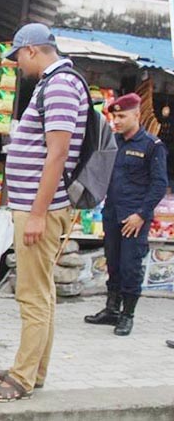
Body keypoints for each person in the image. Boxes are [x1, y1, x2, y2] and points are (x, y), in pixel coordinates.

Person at [0, 24, 89, 402]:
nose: (16, 66)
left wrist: (39, 212)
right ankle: (34, 371)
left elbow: (57, 153)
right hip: (37, 206)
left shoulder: (59, 84)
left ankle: (21, 379)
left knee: (31, 295)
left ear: (31, 51)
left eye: (17, 58)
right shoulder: (55, 83)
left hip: (38, 208)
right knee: (42, 293)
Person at [84, 93, 167, 336]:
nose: (117, 121)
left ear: (136, 115)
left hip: (135, 218)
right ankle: (111, 310)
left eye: (122, 116)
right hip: (112, 214)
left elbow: (159, 184)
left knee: (131, 267)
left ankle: (127, 315)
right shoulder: (114, 143)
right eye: (114, 116)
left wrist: (141, 215)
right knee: (113, 263)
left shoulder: (152, 146)